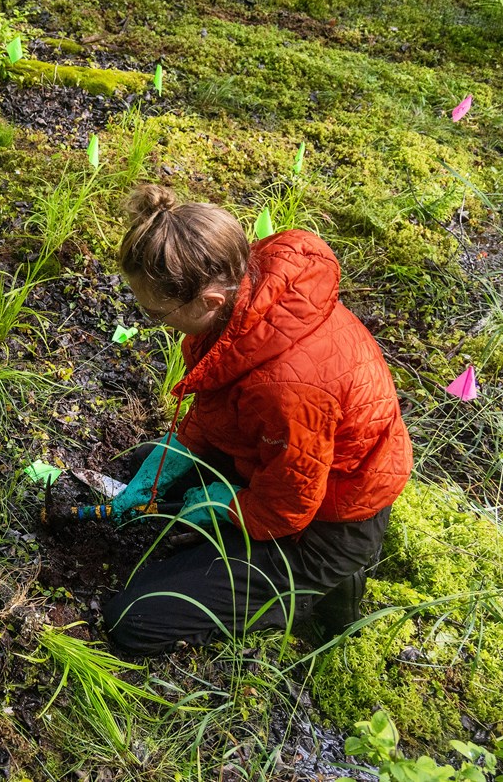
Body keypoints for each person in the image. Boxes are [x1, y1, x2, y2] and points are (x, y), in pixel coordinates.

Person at [102, 185, 412, 654]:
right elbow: (225, 398)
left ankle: (323, 594)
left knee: (134, 620)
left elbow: (289, 506)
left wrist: (225, 509)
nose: (153, 321)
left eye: (156, 311)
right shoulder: (249, 295)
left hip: (328, 522)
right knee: (151, 463)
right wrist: (183, 449)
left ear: (207, 299)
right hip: (289, 461)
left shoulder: (287, 387)